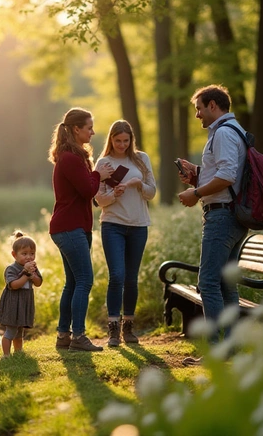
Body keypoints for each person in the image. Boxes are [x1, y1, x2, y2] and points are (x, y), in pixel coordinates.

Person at [177, 84, 248, 357]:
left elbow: (229, 175)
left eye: (199, 108)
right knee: (224, 284)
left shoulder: (223, 133)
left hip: (222, 216)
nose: (197, 115)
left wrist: (195, 192)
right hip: (230, 214)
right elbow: (227, 174)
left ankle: (216, 350)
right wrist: (197, 174)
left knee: (207, 281)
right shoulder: (233, 131)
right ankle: (230, 347)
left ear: (213, 106)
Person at [48, 108, 114, 352]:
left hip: (71, 227)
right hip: (69, 227)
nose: (93, 132)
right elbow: (88, 190)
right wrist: (99, 174)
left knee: (73, 282)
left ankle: (64, 336)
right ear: (76, 129)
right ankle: (78, 337)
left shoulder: (73, 156)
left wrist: (97, 176)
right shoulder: (70, 158)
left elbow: (85, 190)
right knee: (84, 280)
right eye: (89, 127)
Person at [95, 120, 156, 347]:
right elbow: (99, 200)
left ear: (131, 140)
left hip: (139, 225)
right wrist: (115, 194)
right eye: (117, 140)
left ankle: (129, 326)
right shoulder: (104, 163)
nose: (121, 144)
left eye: (126, 140)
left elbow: (151, 193)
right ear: (111, 139)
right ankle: (113, 329)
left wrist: (139, 185)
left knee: (131, 277)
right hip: (113, 224)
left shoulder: (141, 159)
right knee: (117, 276)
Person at [0, 231, 43, 357]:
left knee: (19, 331)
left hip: (25, 303)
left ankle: (18, 353)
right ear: (14, 255)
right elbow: (14, 285)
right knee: (10, 331)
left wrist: (33, 275)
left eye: (32, 254)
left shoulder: (33, 268)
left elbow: (38, 283)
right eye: (24, 254)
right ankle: (6, 355)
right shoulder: (11, 269)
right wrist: (26, 274)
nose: (29, 257)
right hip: (13, 304)